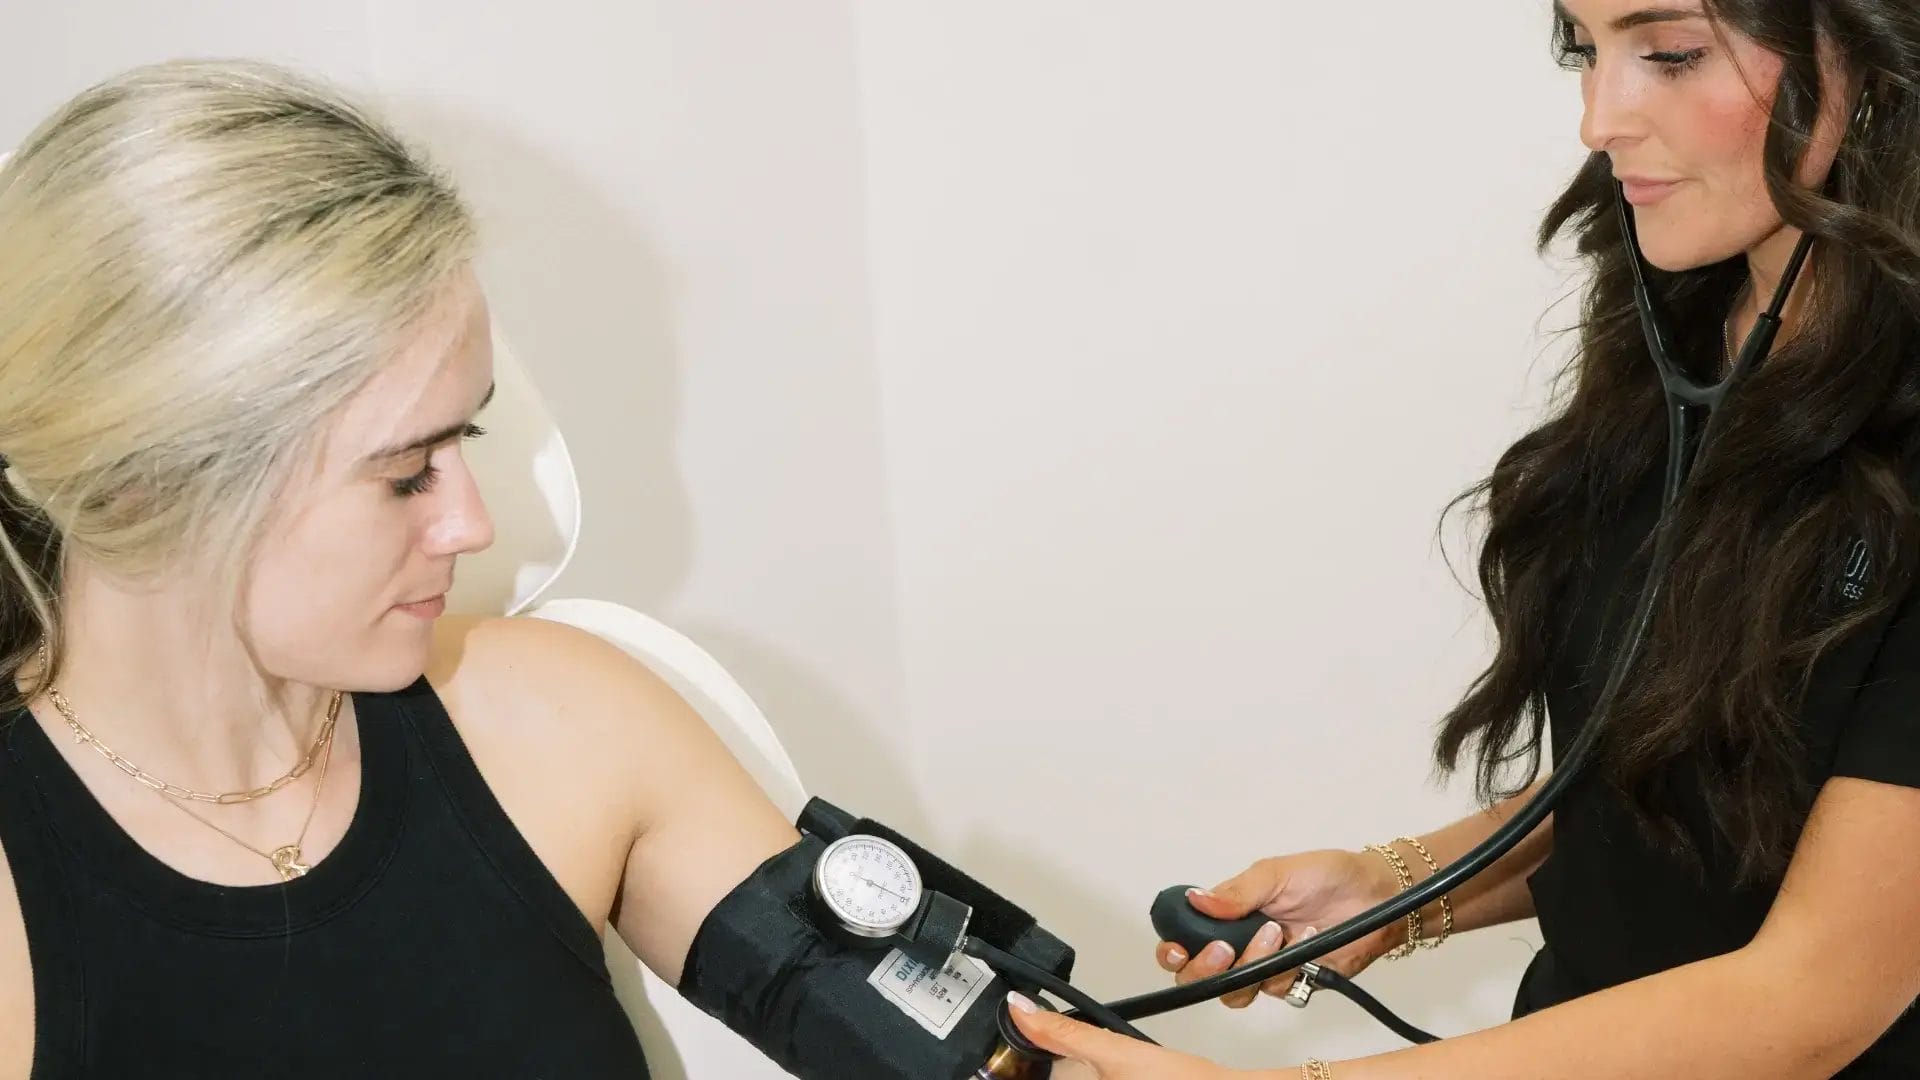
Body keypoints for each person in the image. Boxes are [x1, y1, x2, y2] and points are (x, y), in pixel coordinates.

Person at [1012, 1, 1920, 1077]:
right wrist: (1392, 889)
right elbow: (1675, 772)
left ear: (1872, 61)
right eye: (1585, 50)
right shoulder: (1685, 351)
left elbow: (1814, 998)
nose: (1599, 119)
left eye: (1671, 54)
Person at [0, 59, 802, 1076]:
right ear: (142, 485)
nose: (471, 524)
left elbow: (929, 1028)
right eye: (405, 475)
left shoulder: (563, 723)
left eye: (467, 439)